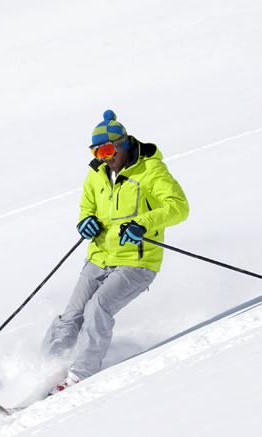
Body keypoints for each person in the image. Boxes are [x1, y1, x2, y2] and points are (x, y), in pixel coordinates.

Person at [42, 109, 189, 394]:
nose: (103, 158)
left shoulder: (150, 170)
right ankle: (47, 368)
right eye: (97, 152)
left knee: (98, 308)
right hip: (98, 257)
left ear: (122, 145)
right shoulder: (96, 174)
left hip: (137, 261)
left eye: (107, 150)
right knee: (72, 315)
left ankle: (80, 375)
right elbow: (87, 207)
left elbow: (178, 207)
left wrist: (143, 225)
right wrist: (86, 222)